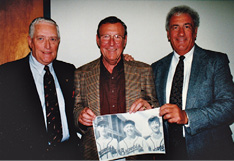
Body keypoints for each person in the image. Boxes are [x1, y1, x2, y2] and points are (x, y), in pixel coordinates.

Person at [151, 5, 234, 160]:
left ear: (195, 32)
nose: (181, 33)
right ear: (168, 34)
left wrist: (187, 116)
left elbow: (230, 106)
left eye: (186, 26)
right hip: (169, 154)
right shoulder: (156, 68)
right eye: (175, 27)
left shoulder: (216, 61)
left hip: (211, 152)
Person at [73, 16, 158, 160]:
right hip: (95, 153)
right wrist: (80, 116)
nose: (111, 43)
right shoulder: (81, 73)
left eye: (117, 37)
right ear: (98, 40)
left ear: (125, 40)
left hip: (136, 153)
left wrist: (149, 108)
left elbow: (155, 107)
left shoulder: (144, 70)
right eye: (106, 36)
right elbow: (76, 108)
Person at [0, 17, 80, 159]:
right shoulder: (7, 74)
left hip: (67, 154)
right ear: (30, 42)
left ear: (58, 42)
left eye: (53, 39)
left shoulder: (68, 70)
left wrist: (119, 61)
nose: (48, 46)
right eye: (41, 39)